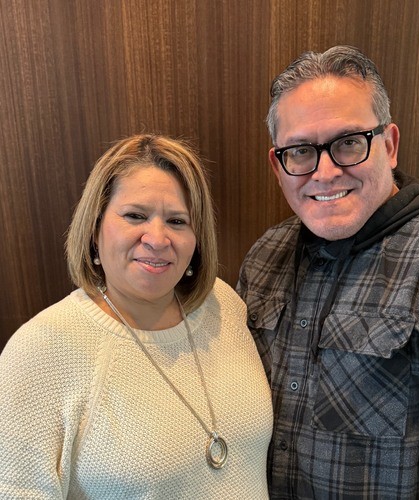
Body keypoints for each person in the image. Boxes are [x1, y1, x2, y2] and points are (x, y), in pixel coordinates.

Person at [237, 45, 419, 499]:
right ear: (278, 165)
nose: (324, 172)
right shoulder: (265, 256)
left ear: (389, 145)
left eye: (348, 143)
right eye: (300, 151)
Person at [0, 134, 273, 498]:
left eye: (177, 221)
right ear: (95, 229)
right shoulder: (41, 350)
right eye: (135, 216)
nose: (157, 239)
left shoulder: (223, 305)